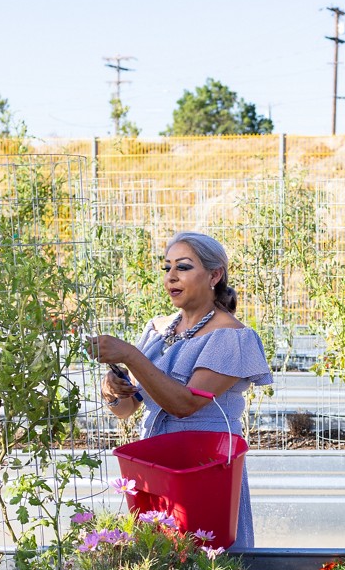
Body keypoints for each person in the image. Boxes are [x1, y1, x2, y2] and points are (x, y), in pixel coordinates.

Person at [87, 231, 272, 549]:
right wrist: (113, 389)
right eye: (167, 267)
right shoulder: (157, 329)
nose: (171, 276)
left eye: (183, 267)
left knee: (206, 564)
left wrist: (131, 355)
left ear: (215, 275)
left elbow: (184, 404)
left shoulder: (232, 338)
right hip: (155, 461)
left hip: (203, 466)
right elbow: (128, 409)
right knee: (157, 566)